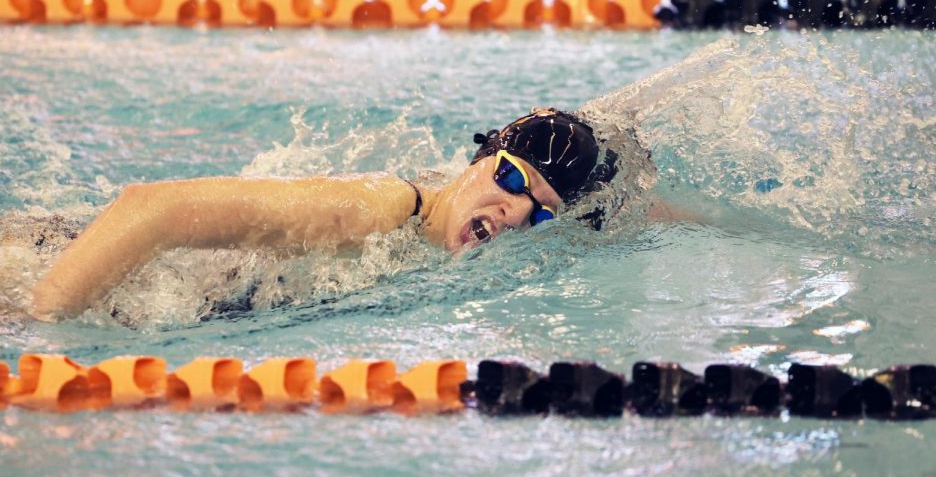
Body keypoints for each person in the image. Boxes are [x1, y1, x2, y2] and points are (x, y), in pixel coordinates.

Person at [32, 108, 617, 321]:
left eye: (540, 213)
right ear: (479, 158)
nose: (513, 211)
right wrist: (42, 323)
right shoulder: (372, 210)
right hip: (46, 265)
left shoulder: (429, 241)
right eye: (511, 178)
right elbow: (153, 208)